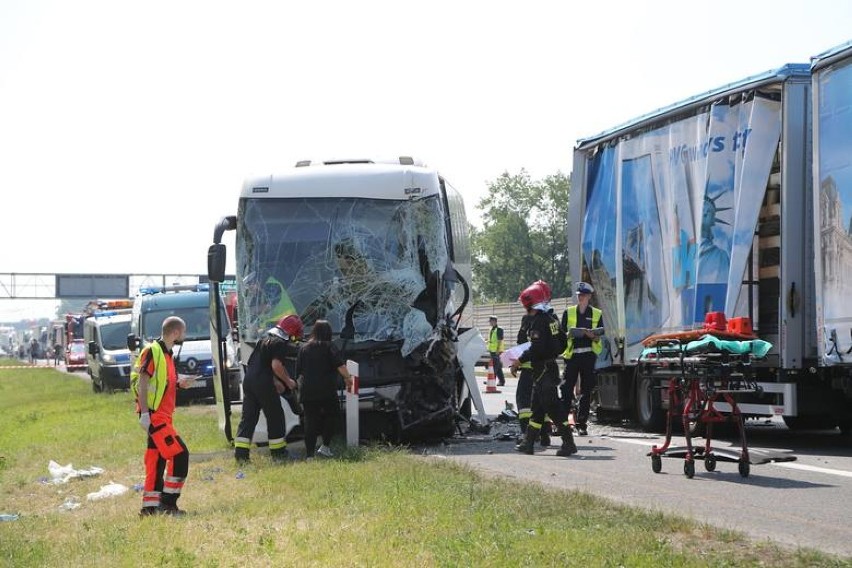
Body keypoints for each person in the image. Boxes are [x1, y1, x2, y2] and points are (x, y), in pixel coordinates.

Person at [133, 316, 195, 517]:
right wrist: (144, 413)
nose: (184, 336)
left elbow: (162, 383)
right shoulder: (153, 351)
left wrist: (179, 383)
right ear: (176, 333)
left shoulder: (167, 354)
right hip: (155, 416)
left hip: (163, 416)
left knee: (156, 460)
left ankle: (149, 508)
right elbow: (143, 381)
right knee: (179, 454)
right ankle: (168, 504)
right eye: (183, 332)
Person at [510, 280, 576, 457]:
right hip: (548, 368)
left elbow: (536, 348)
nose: (526, 310)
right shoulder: (552, 319)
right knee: (537, 409)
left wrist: (519, 360)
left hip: (543, 371)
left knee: (553, 408)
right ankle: (528, 443)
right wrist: (551, 353)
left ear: (531, 304)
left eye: (526, 306)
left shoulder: (538, 322)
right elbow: (562, 343)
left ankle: (569, 443)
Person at [234, 315, 302, 464]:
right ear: (291, 333)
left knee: (248, 418)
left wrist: (275, 380)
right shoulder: (279, 343)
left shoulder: (264, 340)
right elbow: (276, 366)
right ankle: (279, 454)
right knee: (275, 416)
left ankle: (241, 456)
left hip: (250, 380)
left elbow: (258, 364)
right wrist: (288, 381)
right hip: (263, 383)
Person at [297, 320, 353, 459]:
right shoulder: (329, 347)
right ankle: (325, 446)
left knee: (310, 421)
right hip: (326, 389)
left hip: (308, 390)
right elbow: (340, 366)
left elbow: (298, 371)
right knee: (332, 416)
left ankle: (309, 455)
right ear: (328, 332)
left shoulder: (304, 348)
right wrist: (348, 379)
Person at [560, 281, 605, 437]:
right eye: (579, 295)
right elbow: (561, 335)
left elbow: (599, 337)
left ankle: (582, 424)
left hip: (588, 355)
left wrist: (591, 335)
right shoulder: (568, 312)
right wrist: (571, 334)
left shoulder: (597, 314)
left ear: (589, 297)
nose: (581, 297)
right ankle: (564, 423)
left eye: (584, 295)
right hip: (572, 355)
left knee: (587, 390)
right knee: (566, 388)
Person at [513, 313, 553, 447]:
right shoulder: (549, 319)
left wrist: (517, 362)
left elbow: (522, 343)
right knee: (542, 401)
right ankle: (545, 434)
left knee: (523, 401)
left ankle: (527, 434)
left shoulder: (528, 321)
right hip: (546, 369)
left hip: (529, 369)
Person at [487, 316, 506, 386]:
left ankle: (492, 380)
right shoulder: (491, 329)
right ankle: (501, 381)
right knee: (497, 366)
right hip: (492, 350)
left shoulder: (499, 329)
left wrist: (498, 350)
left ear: (494, 321)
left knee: (495, 366)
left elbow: (500, 340)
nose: (489, 323)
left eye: (490, 321)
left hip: (497, 351)